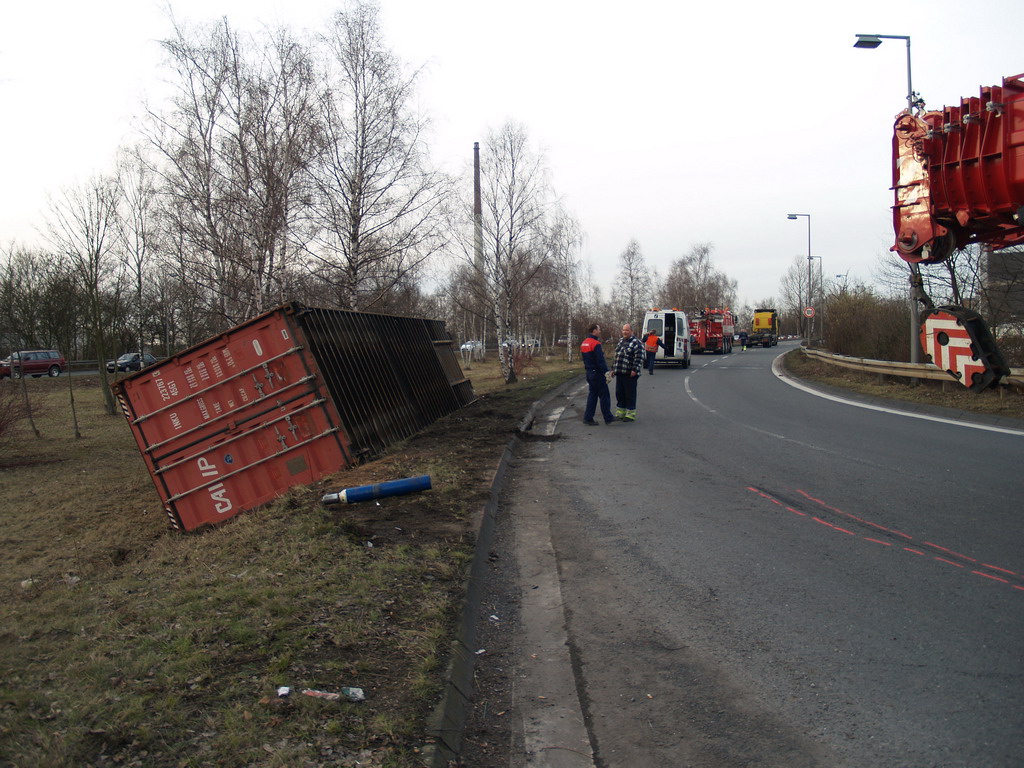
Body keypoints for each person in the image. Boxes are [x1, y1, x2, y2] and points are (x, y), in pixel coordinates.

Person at [580, 323, 617, 426]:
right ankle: (608, 417)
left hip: (589, 372)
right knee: (604, 395)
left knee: (593, 395)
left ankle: (588, 418)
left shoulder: (584, 343)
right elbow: (600, 360)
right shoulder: (596, 344)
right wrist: (607, 372)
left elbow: (585, 358)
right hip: (597, 374)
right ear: (594, 330)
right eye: (599, 329)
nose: (600, 331)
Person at [613, 323, 645, 421]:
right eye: (623, 330)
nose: (625, 332)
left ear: (631, 331)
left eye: (627, 330)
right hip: (620, 373)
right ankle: (620, 413)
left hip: (629, 374)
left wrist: (635, 369)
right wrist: (613, 369)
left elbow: (639, 357)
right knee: (619, 393)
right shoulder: (621, 341)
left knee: (629, 394)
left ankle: (630, 414)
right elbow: (617, 356)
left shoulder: (636, 342)